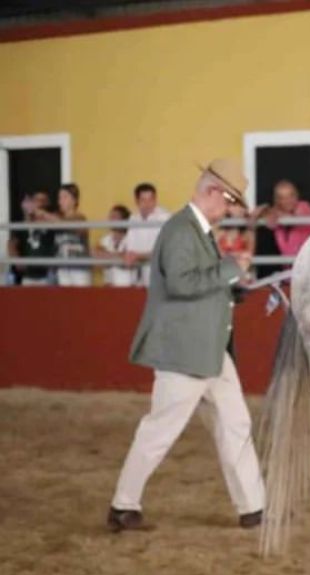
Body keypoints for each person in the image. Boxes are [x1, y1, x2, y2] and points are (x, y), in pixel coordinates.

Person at [108, 159, 264, 533]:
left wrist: (230, 290)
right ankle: (122, 505)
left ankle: (254, 507)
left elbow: (198, 285)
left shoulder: (196, 229)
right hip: (185, 351)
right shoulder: (181, 230)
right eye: (228, 202)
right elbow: (180, 284)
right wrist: (228, 269)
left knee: (236, 423)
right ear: (212, 192)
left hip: (208, 348)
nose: (229, 210)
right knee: (160, 430)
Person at [33, 183, 91, 286]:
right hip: (62, 267)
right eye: (59, 197)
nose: (60, 201)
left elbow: (65, 224)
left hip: (78, 268)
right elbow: (36, 223)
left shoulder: (80, 217)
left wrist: (44, 214)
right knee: (65, 300)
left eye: (65, 197)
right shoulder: (56, 217)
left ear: (75, 200)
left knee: (81, 299)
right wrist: (33, 210)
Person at [123, 183, 171, 286]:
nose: (148, 204)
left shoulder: (164, 218)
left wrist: (138, 255)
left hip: (160, 272)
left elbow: (164, 251)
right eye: (143, 200)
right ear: (136, 201)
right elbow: (131, 248)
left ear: (156, 199)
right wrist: (132, 256)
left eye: (151, 199)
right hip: (140, 270)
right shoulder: (133, 218)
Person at [10, 191, 54, 285]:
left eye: (43, 200)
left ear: (48, 203)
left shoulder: (53, 222)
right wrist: (16, 259)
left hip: (48, 276)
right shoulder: (25, 224)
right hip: (28, 276)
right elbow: (12, 243)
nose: (39, 202)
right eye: (36, 200)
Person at [98, 204, 137, 286]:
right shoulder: (106, 239)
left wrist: (107, 256)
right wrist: (118, 256)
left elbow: (128, 259)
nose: (111, 219)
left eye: (115, 216)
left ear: (124, 219)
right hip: (109, 285)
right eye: (110, 216)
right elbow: (95, 253)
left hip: (129, 286)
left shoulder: (132, 238)